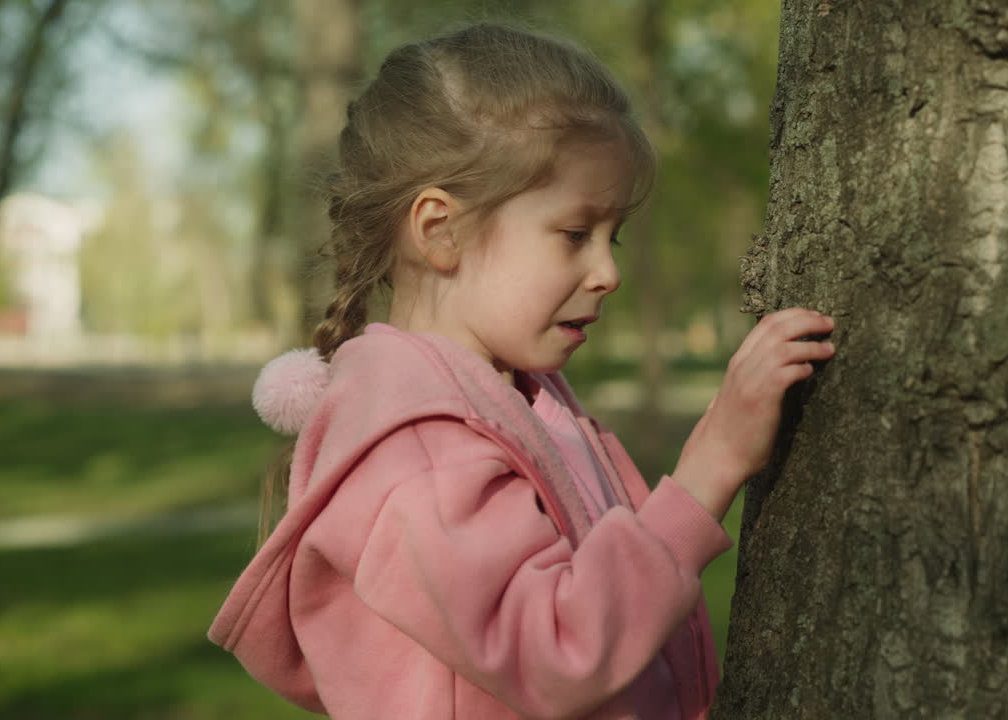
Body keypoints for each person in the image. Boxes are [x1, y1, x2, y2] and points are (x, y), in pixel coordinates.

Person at [209, 21, 836, 720]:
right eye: (575, 235)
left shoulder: (510, 395)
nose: (608, 273)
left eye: (613, 237)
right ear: (441, 230)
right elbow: (559, 650)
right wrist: (709, 468)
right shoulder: (418, 450)